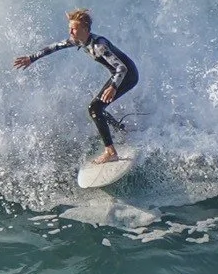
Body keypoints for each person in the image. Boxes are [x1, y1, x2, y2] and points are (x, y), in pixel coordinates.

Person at [13, 8, 140, 161]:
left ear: (85, 29)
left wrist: (113, 87)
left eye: (74, 29)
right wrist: (32, 58)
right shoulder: (79, 40)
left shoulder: (99, 46)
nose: (71, 32)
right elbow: (55, 47)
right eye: (70, 28)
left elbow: (121, 68)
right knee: (98, 107)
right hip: (118, 75)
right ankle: (121, 130)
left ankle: (111, 152)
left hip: (127, 76)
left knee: (95, 107)